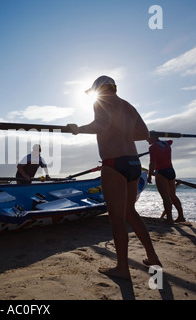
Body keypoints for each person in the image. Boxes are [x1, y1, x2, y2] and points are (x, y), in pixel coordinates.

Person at [67, 75, 161, 280]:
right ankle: (152, 257)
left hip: (114, 164)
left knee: (117, 218)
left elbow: (100, 125)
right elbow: (144, 132)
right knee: (130, 212)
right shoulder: (128, 105)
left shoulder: (102, 102)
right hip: (134, 163)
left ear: (98, 90)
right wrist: (123, 133)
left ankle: (122, 268)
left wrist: (78, 130)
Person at [147, 136, 185, 223]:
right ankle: (181, 216)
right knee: (172, 195)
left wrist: (149, 176)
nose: (147, 140)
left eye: (148, 138)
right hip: (171, 171)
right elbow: (171, 141)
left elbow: (152, 162)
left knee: (166, 197)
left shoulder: (152, 147)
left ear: (153, 138)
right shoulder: (167, 144)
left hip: (161, 172)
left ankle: (169, 219)